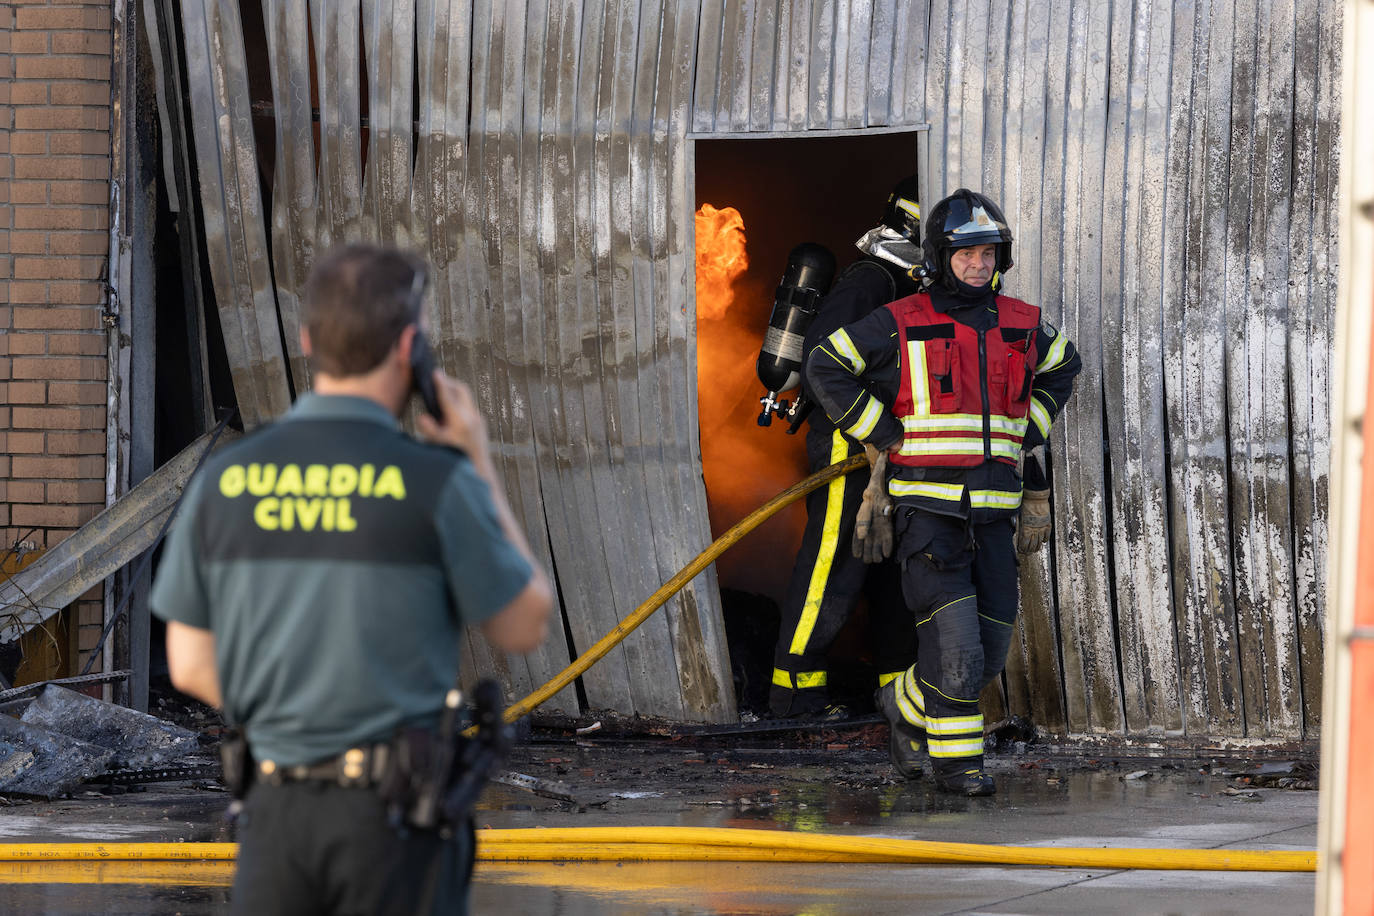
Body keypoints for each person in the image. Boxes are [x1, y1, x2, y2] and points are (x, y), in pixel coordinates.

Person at [150, 244, 553, 913]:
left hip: (275, 816)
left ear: (308, 341)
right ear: (409, 347)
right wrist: (477, 458)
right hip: (393, 824)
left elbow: (190, 666)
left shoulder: (225, 480)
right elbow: (524, 623)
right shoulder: (437, 482)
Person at [805, 189, 1081, 795]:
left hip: (993, 519)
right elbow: (825, 362)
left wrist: (1028, 429)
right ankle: (960, 770)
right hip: (927, 517)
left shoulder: (1023, 323)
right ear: (940, 255)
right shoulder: (902, 320)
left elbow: (1065, 365)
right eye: (965, 253)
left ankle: (900, 706)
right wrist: (879, 431)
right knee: (955, 651)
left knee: (987, 650)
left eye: (988, 253)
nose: (978, 264)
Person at [768, 177, 925, 720]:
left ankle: (895, 689)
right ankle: (795, 695)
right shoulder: (871, 279)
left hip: (891, 449)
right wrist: (874, 433)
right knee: (831, 563)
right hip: (849, 442)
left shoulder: (908, 285)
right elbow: (820, 367)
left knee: (889, 567)